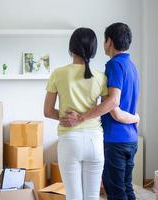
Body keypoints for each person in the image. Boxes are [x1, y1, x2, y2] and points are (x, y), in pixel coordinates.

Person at [44, 27, 139, 200]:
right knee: (92, 196)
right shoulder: (101, 77)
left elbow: (48, 111)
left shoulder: (58, 74)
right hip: (95, 141)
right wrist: (134, 117)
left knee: (74, 196)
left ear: (71, 48)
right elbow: (108, 106)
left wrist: (69, 119)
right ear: (94, 50)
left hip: (70, 141)